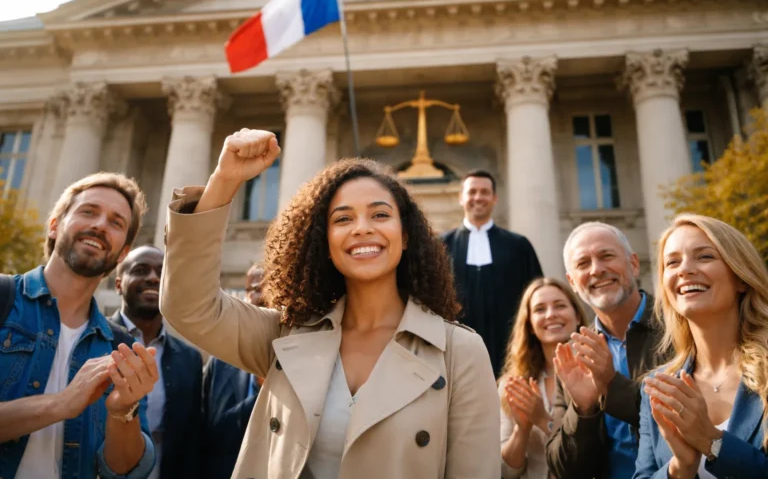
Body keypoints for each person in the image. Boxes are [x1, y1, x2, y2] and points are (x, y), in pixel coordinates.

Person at [159, 129, 500, 478]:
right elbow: (189, 307)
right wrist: (225, 180)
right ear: (324, 241)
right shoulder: (286, 335)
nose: (362, 228)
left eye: (380, 215)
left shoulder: (459, 351)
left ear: (407, 234)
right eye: (343, 219)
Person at [0, 172, 157, 479]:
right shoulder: (3, 299)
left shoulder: (120, 346)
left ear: (122, 252)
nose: (100, 225)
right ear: (55, 226)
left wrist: (122, 411)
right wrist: (62, 404)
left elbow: (123, 470)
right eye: (88, 212)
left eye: (116, 222)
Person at [633, 214, 768, 479]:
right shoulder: (658, 388)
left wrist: (712, 441)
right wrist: (679, 468)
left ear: (740, 277)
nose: (684, 269)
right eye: (672, 262)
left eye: (704, 256)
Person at [546, 221, 668, 479]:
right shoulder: (573, 355)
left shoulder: (678, 329)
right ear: (573, 282)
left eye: (606, 256)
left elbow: (688, 423)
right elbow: (562, 470)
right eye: (583, 264)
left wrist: (610, 384)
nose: (597, 270)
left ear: (633, 264)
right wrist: (583, 410)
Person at [111, 245, 204, 479]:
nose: (153, 278)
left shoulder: (190, 359)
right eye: (141, 270)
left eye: (162, 273)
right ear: (119, 284)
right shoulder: (92, 340)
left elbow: (191, 440)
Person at [441, 170, 543, 376]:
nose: (478, 197)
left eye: (485, 192)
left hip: (511, 350)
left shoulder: (518, 245)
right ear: (461, 198)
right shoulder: (441, 246)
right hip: (456, 352)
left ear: (494, 198)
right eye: (472, 192)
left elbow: (536, 295)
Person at [499, 277, 589, 478]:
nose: (551, 315)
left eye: (560, 306)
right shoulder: (512, 384)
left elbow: (591, 453)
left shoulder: (595, 373)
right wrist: (521, 430)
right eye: (540, 309)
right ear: (530, 324)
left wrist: (542, 419)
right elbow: (505, 472)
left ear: (577, 316)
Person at [201, 263, 264, 479]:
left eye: (273, 285)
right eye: (255, 288)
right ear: (245, 297)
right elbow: (205, 437)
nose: (263, 294)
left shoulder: (313, 361)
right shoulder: (220, 363)